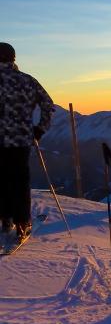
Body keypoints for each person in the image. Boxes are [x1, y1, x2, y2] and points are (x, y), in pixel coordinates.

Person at [0, 42, 54, 241]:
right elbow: (48, 104)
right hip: (20, 139)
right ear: (13, 58)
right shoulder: (27, 80)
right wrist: (39, 129)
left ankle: (5, 218)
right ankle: (22, 223)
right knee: (19, 180)